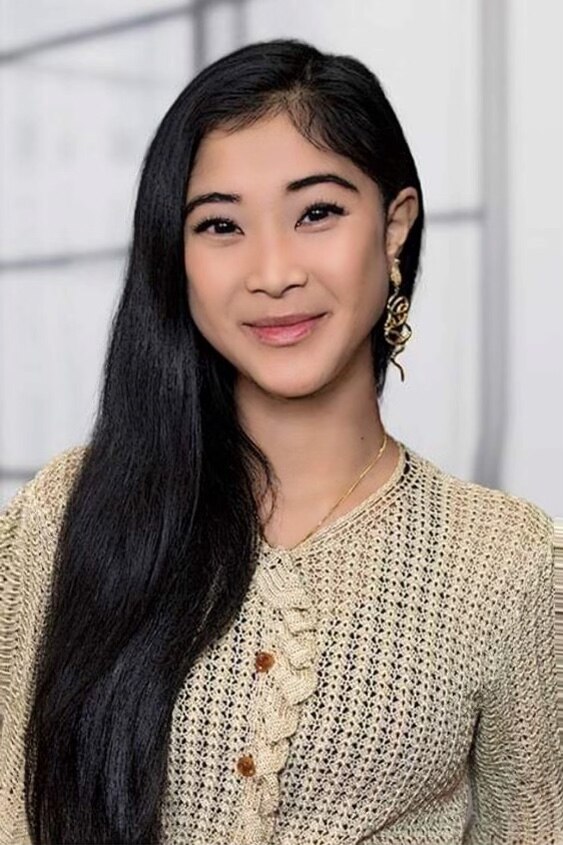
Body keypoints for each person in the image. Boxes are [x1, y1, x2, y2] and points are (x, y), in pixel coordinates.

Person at [0, 38, 561, 845]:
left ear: (394, 227)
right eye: (220, 224)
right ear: (177, 256)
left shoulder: (508, 564)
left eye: (317, 213)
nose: (271, 271)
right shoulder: (64, 513)